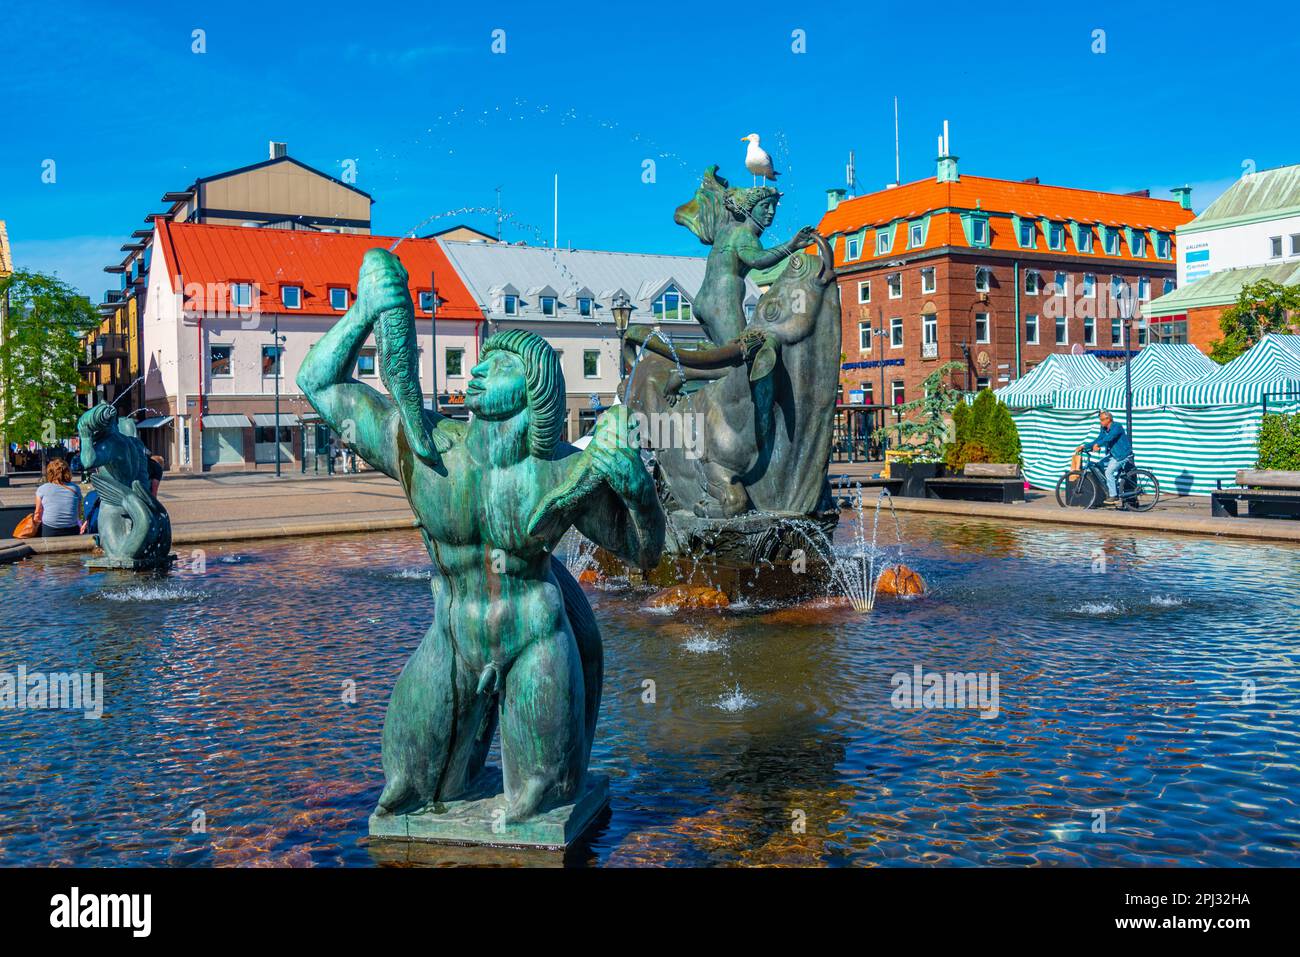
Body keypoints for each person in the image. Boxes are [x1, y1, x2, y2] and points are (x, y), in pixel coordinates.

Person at [1078, 410, 1133, 507]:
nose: (1101, 422)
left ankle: (1114, 495)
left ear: (1108, 419)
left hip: (1122, 454)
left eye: (1102, 420)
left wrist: (1098, 445)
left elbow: (1109, 438)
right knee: (1099, 465)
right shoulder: (1104, 429)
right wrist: (1085, 446)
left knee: (1108, 472)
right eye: (1100, 420)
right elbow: (1099, 439)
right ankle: (1111, 485)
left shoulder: (1117, 426)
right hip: (1113, 454)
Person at [34, 458, 83, 537]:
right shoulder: (75, 488)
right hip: (72, 529)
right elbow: (79, 513)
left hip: (49, 529)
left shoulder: (42, 489)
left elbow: (37, 514)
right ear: (67, 472)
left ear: (49, 473)